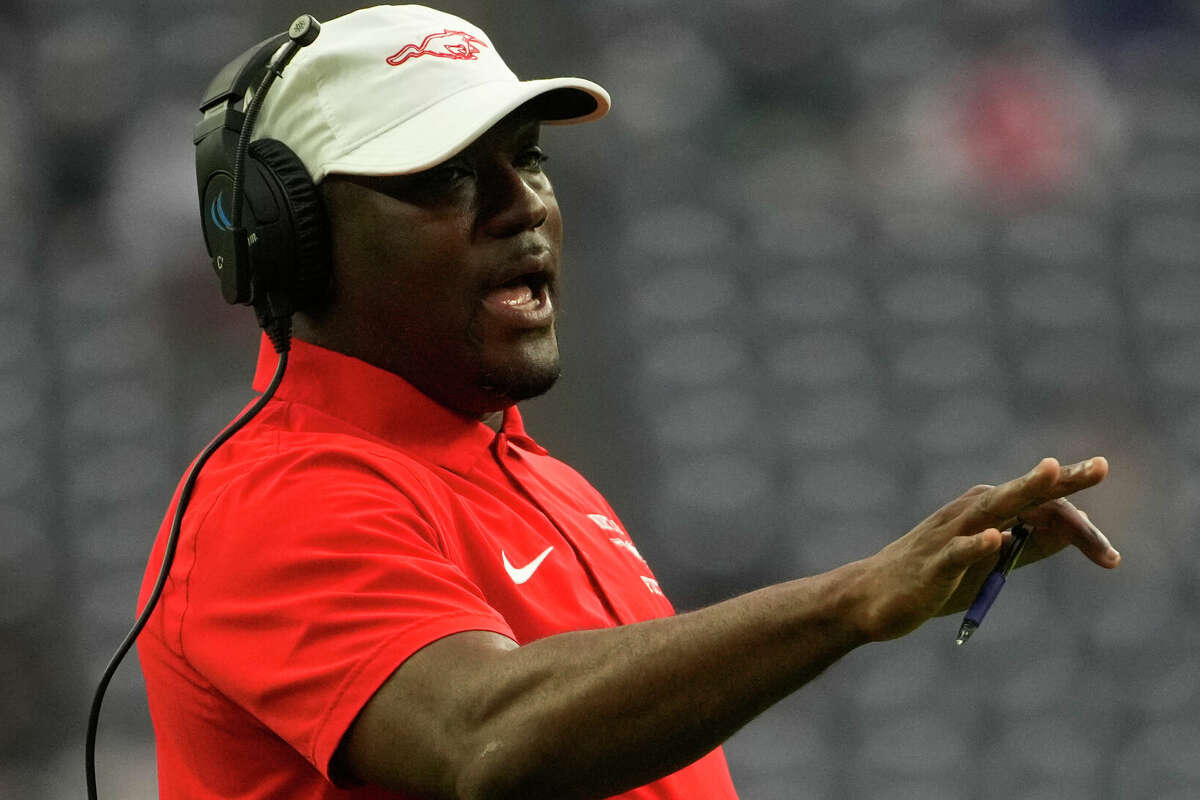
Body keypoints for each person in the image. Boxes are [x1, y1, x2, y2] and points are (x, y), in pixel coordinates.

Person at [137, 5, 1122, 800]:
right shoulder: (271, 497)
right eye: (444, 176)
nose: (521, 201)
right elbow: (486, 737)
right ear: (291, 238)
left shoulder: (544, 481)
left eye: (527, 157)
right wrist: (851, 600)